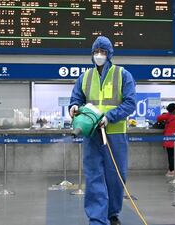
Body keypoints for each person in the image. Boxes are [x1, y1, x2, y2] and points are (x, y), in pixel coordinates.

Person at [69, 36, 136, 225]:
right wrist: (73, 107)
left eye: (103, 52)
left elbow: (130, 103)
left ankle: (112, 213)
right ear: (92, 54)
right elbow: (76, 99)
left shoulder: (123, 75)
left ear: (110, 54)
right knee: (93, 176)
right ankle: (97, 219)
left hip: (115, 134)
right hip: (91, 135)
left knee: (116, 176)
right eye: (96, 52)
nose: (99, 55)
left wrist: (109, 117)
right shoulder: (85, 77)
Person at [157, 103, 175, 177]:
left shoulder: (168, 116)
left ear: (169, 110)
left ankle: (172, 171)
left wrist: (167, 114)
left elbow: (158, 118)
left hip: (169, 141)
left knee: (171, 156)